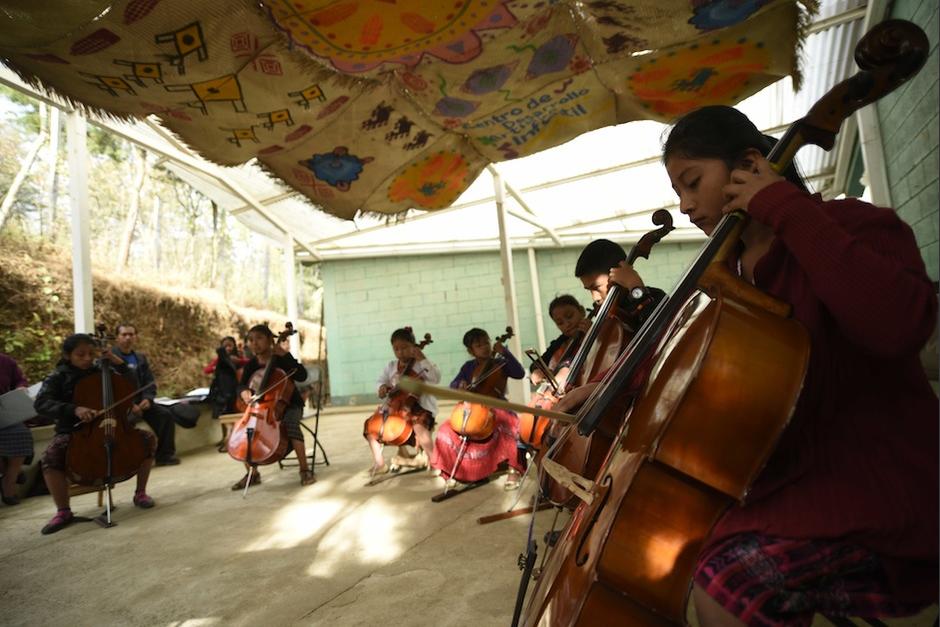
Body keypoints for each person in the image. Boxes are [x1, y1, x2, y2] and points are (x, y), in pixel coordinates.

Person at [659, 105, 938, 625]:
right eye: (679, 193)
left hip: (876, 484)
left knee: (723, 586)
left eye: (692, 183)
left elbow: (899, 324)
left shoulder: (850, 224)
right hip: (786, 484)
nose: (687, 206)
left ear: (747, 165)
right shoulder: (732, 282)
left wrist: (789, 209)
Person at [34, 334, 157, 534]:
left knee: (147, 439)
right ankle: (63, 511)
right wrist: (74, 409)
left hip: (114, 426)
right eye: (80, 355)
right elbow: (41, 404)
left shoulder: (102, 370)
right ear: (68, 355)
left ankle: (140, 493)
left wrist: (120, 363)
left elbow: (132, 386)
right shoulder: (58, 376)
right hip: (75, 430)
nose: (87, 359)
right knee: (51, 456)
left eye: (91, 354)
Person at [430, 328, 527, 490]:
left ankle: (514, 469)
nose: (484, 347)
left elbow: (519, 373)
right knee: (446, 429)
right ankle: (454, 471)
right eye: (478, 345)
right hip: (472, 407)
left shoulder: (501, 362)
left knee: (509, 425)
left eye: (486, 343)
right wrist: (459, 385)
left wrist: (505, 352)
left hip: (497, 404)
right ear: (471, 351)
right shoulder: (469, 366)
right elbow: (454, 384)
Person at [232, 324, 316, 489]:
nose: (254, 343)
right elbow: (240, 386)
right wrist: (243, 392)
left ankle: (304, 470)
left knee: (291, 424)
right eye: (251, 340)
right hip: (261, 408)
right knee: (247, 433)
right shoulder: (251, 365)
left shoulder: (281, 358)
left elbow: (302, 375)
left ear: (271, 339)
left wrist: (286, 355)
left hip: (290, 404)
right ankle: (253, 474)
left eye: (259, 338)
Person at [366, 327, 441, 475]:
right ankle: (380, 463)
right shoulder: (391, 366)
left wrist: (422, 358)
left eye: (405, 348)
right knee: (371, 427)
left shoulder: (421, 364)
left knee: (419, 427)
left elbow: (435, 378)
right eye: (396, 349)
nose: (400, 352)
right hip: (396, 406)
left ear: (413, 346)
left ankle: (435, 461)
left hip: (420, 406)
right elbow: (380, 380)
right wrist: (381, 387)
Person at [112, 323, 179, 466]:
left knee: (165, 416)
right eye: (124, 335)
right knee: (124, 423)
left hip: (142, 402)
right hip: (122, 405)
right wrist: (129, 404)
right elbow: (111, 387)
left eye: (131, 334)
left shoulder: (140, 358)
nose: (128, 338)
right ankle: (124, 460)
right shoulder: (111, 358)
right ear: (117, 338)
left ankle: (165, 456)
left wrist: (148, 399)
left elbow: (149, 381)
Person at [529, 295, 590, 386]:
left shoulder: (593, 331)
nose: (567, 324)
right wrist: (538, 371)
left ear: (581, 311)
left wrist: (593, 334)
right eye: (560, 323)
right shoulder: (560, 342)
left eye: (569, 316)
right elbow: (537, 363)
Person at [204, 336, 249, 452]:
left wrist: (239, 361)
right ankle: (225, 437)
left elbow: (250, 363)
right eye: (225, 346)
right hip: (223, 391)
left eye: (230, 345)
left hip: (236, 390)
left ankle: (234, 437)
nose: (228, 348)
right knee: (223, 415)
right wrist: (217, 366)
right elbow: (207, 370)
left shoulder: (238, 357)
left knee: (234, 415)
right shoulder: (220, 359)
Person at [0, 352, 33, 506]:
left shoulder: (5, 361)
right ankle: (13, 473)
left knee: (20, 433)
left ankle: (9, 483)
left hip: (5, 413)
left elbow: (20, 380)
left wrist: (21, 388)